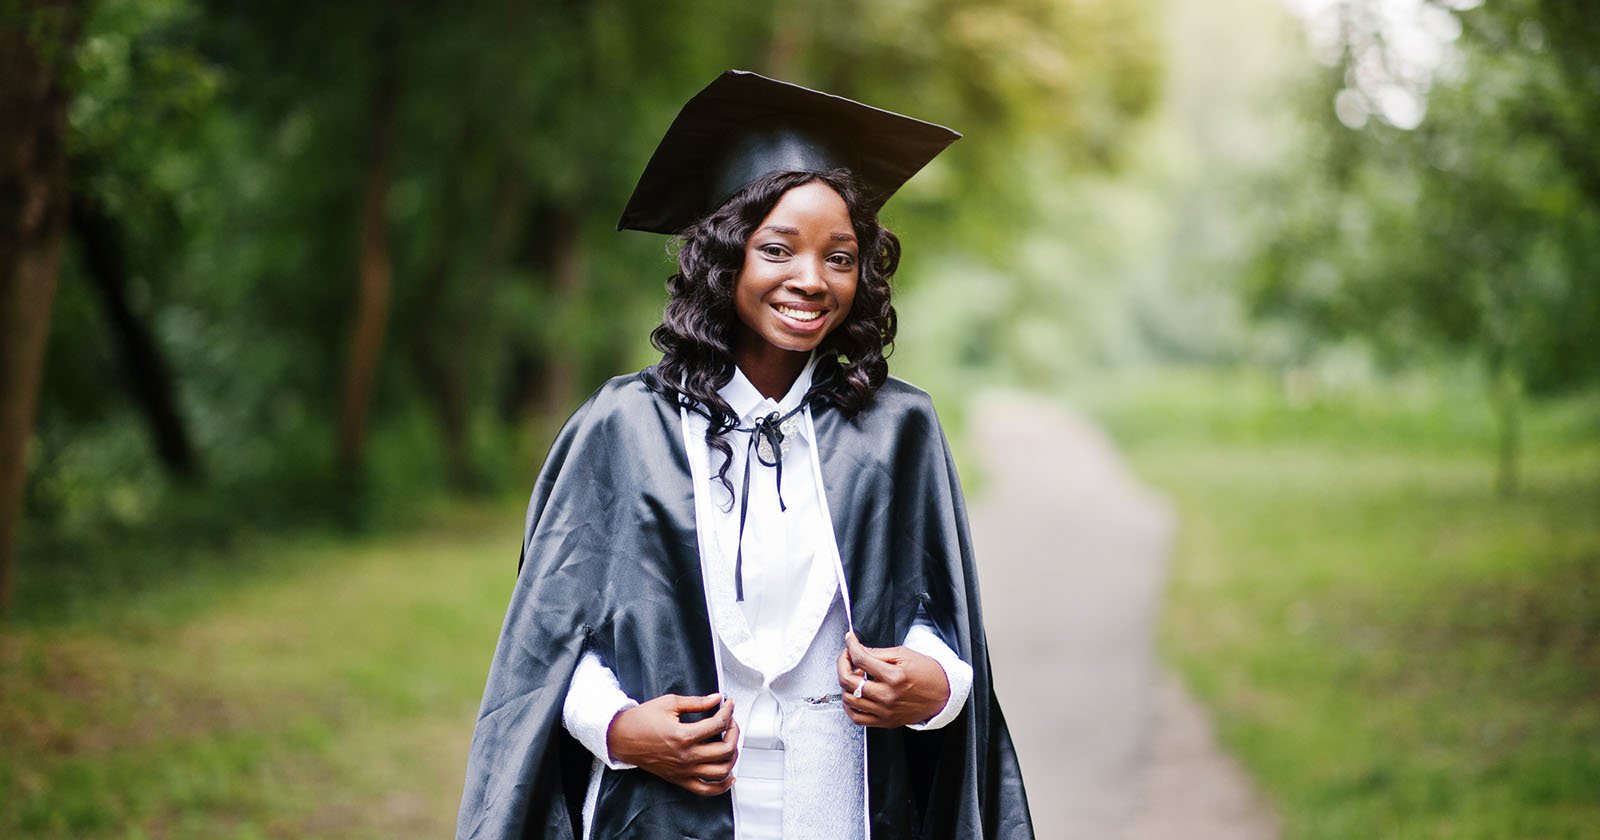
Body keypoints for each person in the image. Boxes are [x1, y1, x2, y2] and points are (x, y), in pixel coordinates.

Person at [457, 70, 1033, 840]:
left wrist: (935, 686)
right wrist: (619, 729)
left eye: (840, 255)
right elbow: (550, 645)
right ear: (728, 257)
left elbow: (936, 623)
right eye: (778, 249)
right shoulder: (627, 428)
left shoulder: (897, 431)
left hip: (842, 807)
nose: (810, 279)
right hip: (663, 810)